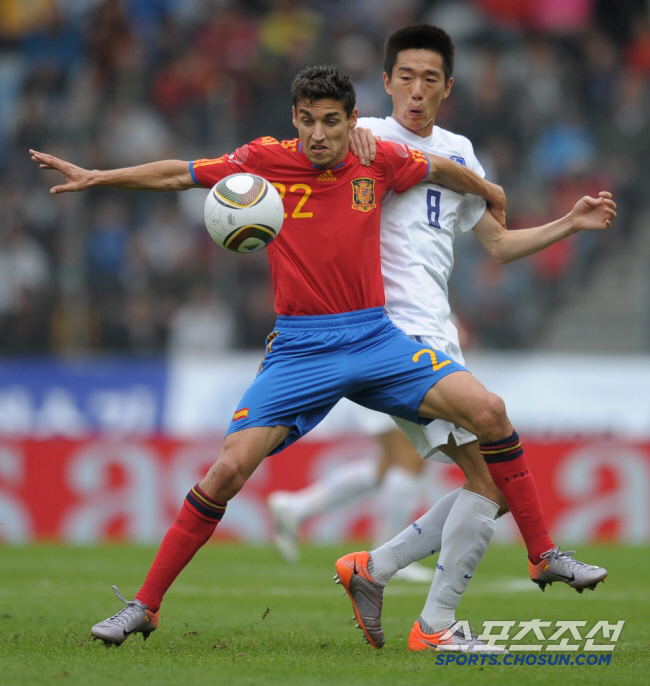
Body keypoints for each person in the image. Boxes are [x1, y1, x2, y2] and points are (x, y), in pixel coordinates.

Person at [31, 64, 517, 646]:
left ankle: (394, 582)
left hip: (374, 338)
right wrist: (96, 177)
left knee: (490, 466)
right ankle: (144, 605)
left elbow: (435, 166)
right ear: (293, 118)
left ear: (350, 121)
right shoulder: (264, 160)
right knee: (229, 469)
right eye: (307, 120)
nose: (317, 133)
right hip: (299, 348)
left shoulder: (373, 157)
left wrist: (484, 187)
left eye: (330, 121)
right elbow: (178, 176)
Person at [332, 24, 614, 652]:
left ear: (447, 88)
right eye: (405, 76)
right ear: (385, 82)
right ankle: (433, 623)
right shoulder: (364, 136)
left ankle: (372, 570)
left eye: (430, 79)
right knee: (494, 466)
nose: (416, 90)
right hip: (389, 337)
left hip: (438, 332)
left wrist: (568, 223)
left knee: (491, 484)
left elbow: (500, 245)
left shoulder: (461, 150)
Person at [268, 406, 436, 582]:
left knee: (388, 465)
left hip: (386, 383)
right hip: (396, 382)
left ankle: (297, 507)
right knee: (411, 460)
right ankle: (388, 557)